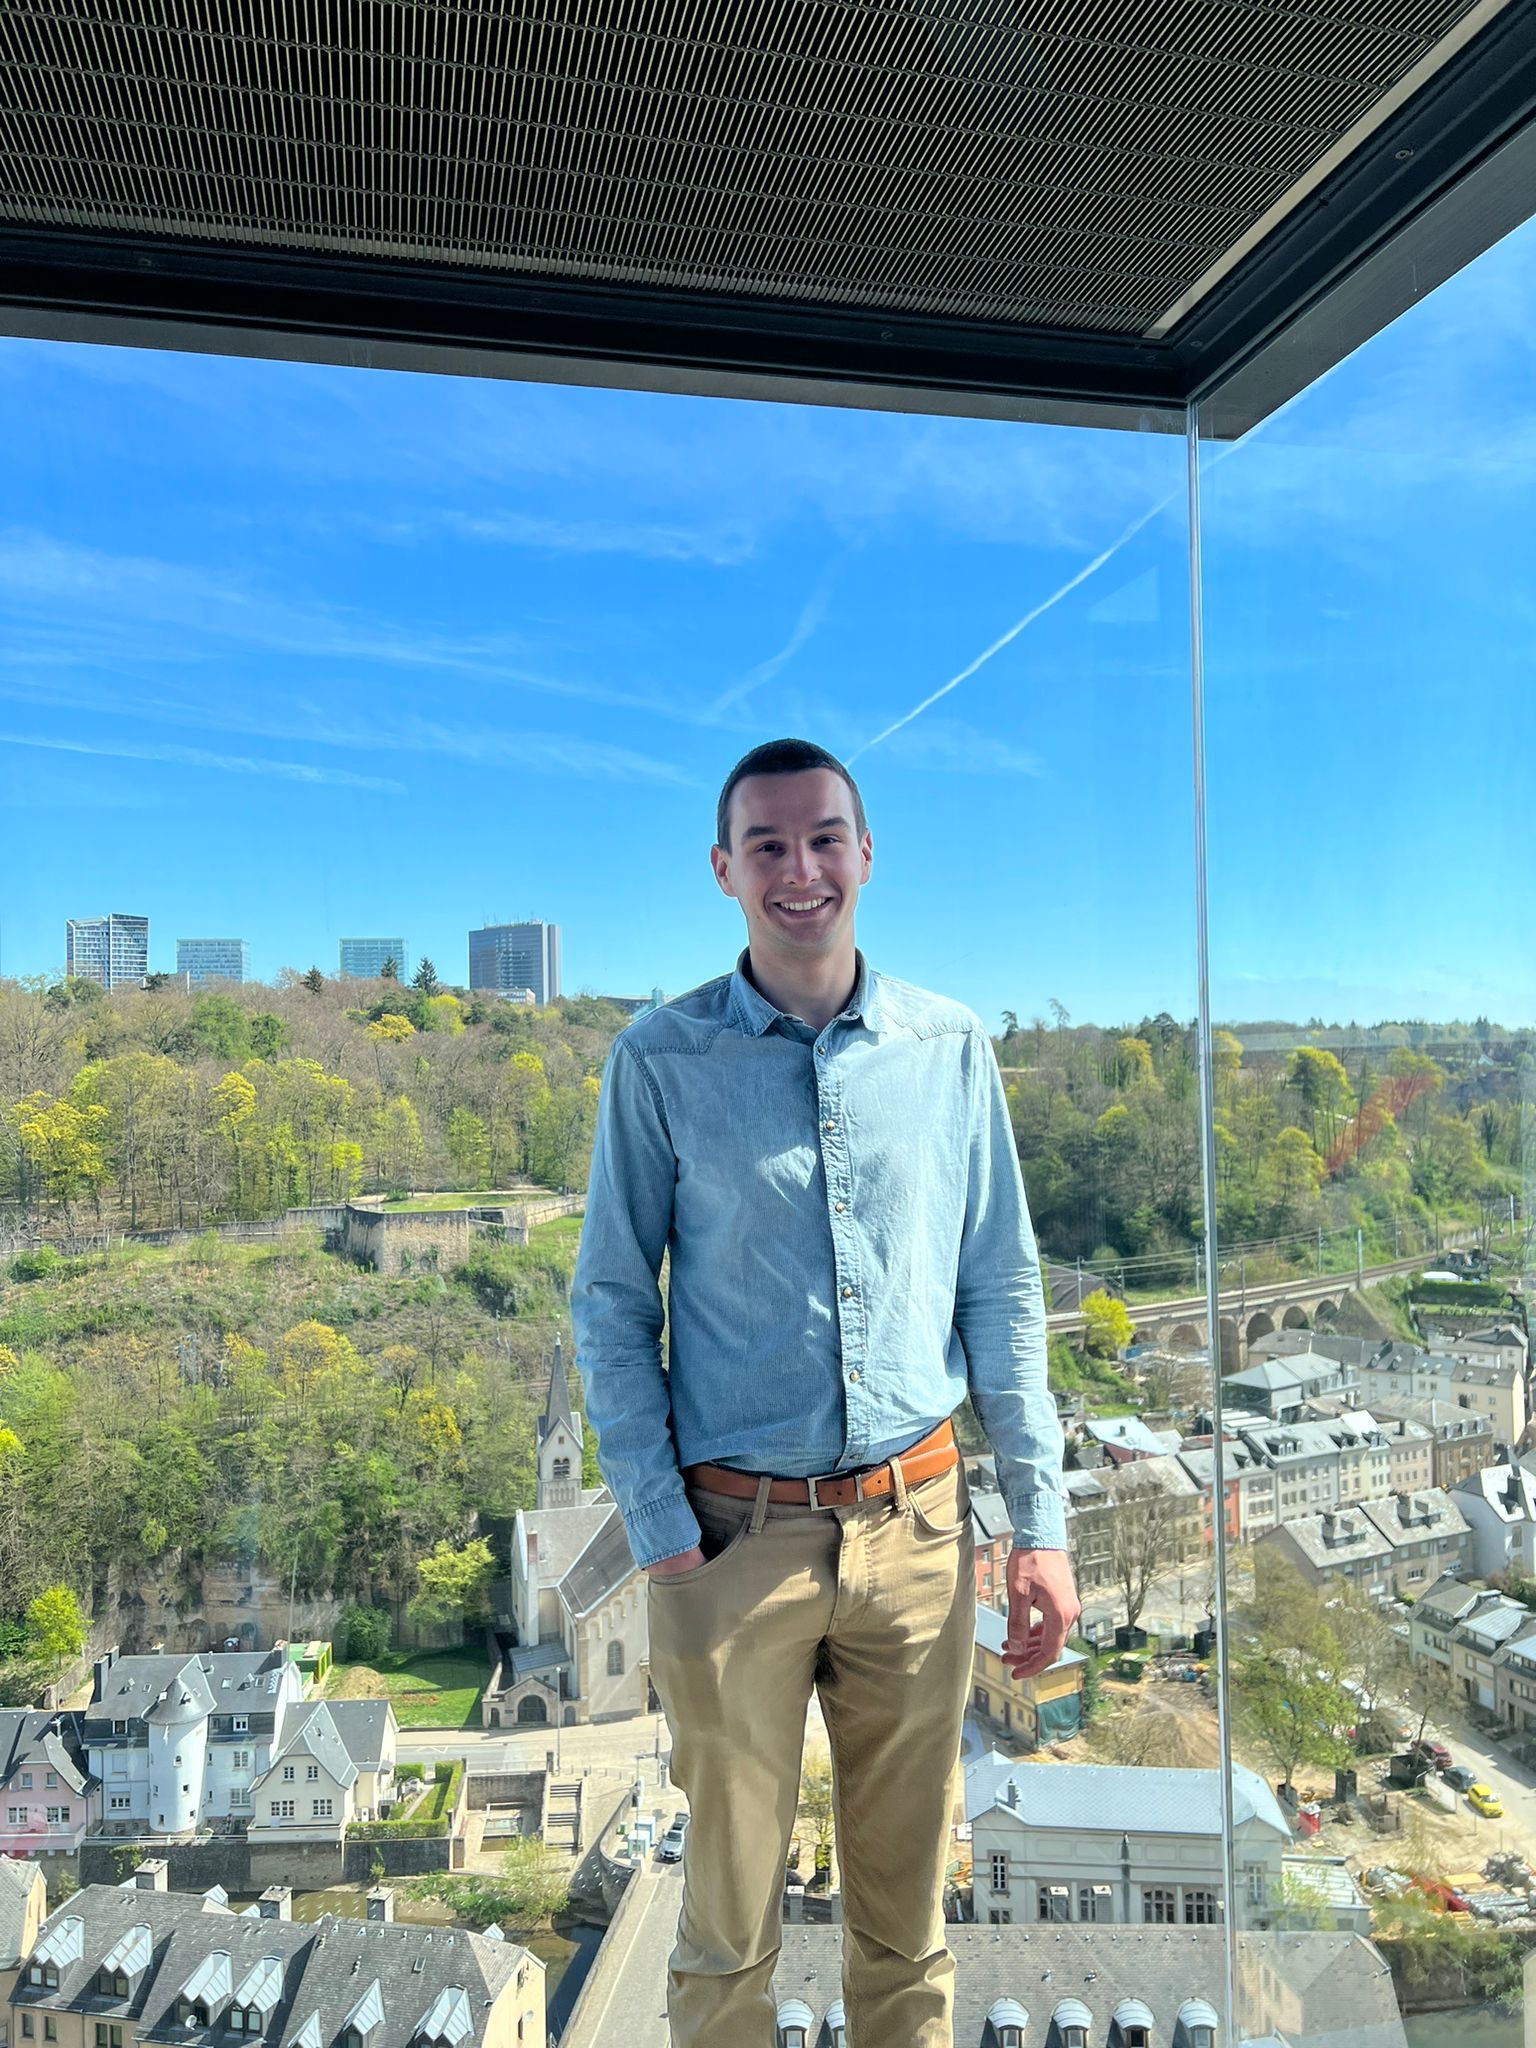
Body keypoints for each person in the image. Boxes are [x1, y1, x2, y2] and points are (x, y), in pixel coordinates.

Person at [572, 736, 1078, 2048]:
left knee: (907, 1935)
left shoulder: (949, 1048)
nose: (800, 869)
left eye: (823, 839)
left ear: (866, 854)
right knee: (725, 1933)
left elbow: (1003, 1293)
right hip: (730, 1545)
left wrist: (1043, 1525)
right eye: (769, 845)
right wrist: (664, 1534)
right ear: (724, 870)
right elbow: (612, 1306)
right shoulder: (660, 1060)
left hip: (918, 1535)